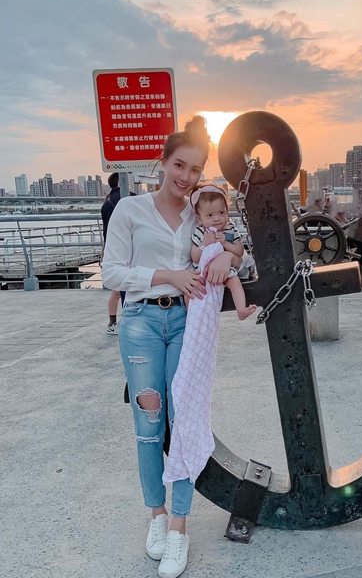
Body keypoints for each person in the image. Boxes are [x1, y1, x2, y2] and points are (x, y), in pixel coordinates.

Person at [101, 117, 237, 578]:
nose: (186, 176)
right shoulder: (130, 210)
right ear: (163, 162)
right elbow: (111, 273)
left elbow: (234, 250)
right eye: (180, 165)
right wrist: (168, 275)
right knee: (148, 421)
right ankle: (156, 515)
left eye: (195, 170)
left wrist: (227, 257)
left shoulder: (201, 215)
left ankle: (179, 526)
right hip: (140, 321)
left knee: (184, 420)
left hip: (185, 323)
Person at [190, 184, 256, 320]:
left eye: (221, 213)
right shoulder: (200, 232)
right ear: (199, 218)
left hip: (227, 270)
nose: (217, 218)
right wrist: (204, 244)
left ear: (227, 211)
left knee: (235, 283)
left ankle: (241, 310)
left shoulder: (230, 229)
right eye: (210, 215)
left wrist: (225, 243)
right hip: (205, 272)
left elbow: (239, 251)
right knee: (194, 291)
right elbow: (195, 257)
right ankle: (197, 316)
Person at [100, 173, 135, 335]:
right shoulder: (130, 198)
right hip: (130, 248)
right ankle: (128, 320)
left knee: (116, 289)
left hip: (111, 248)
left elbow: (105, 229)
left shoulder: (106, 202)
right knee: (128, 287)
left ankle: (112, 322)